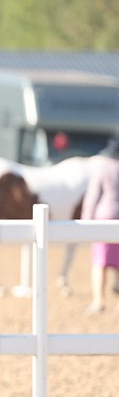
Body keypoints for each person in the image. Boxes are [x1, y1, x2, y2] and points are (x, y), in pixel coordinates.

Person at [83, 134, 119, 313]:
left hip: (104, 216)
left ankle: (99, 300)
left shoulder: (102, 167)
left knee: (100, 262)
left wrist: (85, 222)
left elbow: (92, 197)